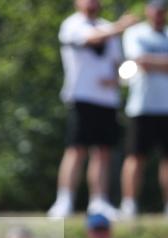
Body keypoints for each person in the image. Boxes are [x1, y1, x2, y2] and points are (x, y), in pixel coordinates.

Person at [48, 0, 140, 219]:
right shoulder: (72, 24)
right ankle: (64, 200)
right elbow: (92, 39)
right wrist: (120, 26)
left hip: (107, 101)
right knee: (76, 149)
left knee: (103, 152)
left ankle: (99, 202)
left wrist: (118, 79)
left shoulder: (108, 26)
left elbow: (117, 64)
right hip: (81, 97)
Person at [120, 0, 168, 220]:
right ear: (148, 10)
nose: (159, 14)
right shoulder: (135, 33)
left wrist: (154, 62)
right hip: (143, 106)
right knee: (136, 156)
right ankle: (129, 204)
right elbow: (138, 61)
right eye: (155, 9)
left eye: (163, 10)